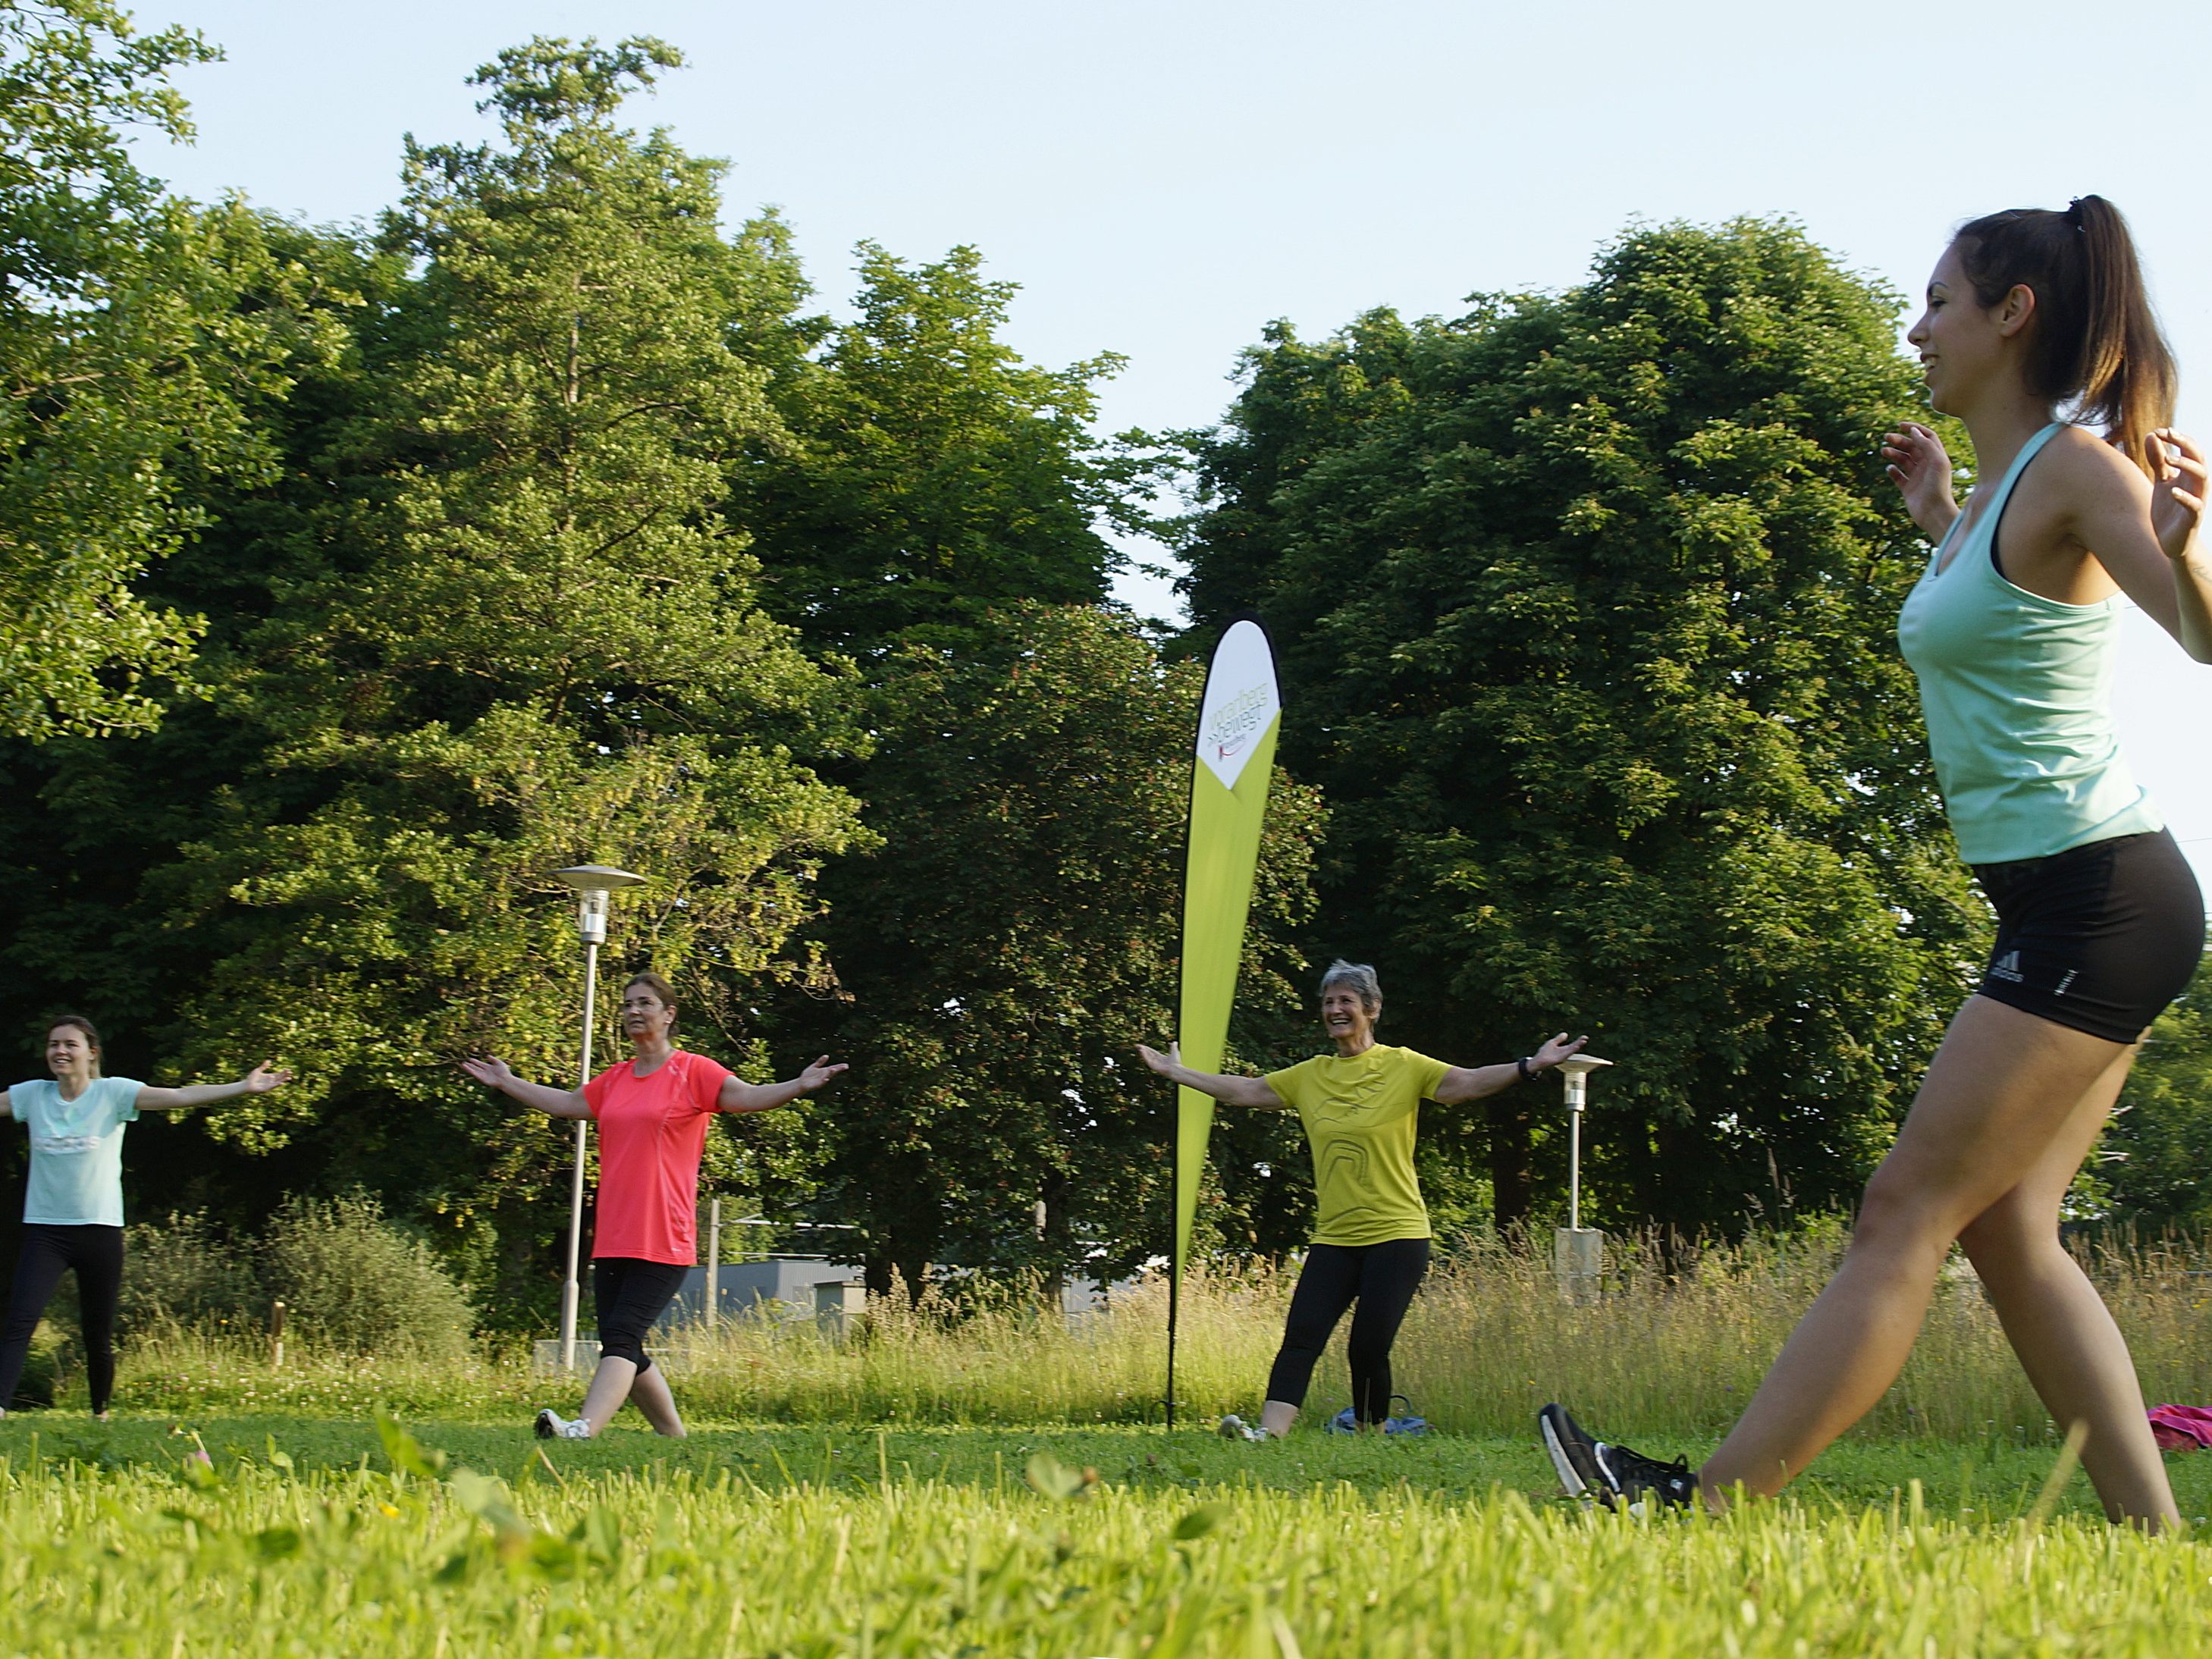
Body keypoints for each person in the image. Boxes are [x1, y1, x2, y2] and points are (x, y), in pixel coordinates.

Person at [1542, 196, 2210, 1527]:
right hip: (2070, 891)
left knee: (1902, 1203)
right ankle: (2153, 1536)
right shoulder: (2004, 493)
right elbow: (2001, 626)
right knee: (2009, 1229)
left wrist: (2189, 546)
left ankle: (1705, 1503)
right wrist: (1940, 521)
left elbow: (2201, 637)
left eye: (1939, 300)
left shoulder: (2083, 466)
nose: (1915, 328)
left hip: (2099, 886)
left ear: (2010, 313)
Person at [1140, 959, 1586, 1438]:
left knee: (1368, 1346)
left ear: (1371, 1009)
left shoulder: (1404, 1065)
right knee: (1301, 1338)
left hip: (1398, 1234)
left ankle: (1371, 1431)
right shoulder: (1310, 1075)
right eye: (1328, 1002)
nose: (1335, 1010)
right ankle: (1267, 1437)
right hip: (1335, 1237)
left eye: (1345, 1001)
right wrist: (1180, 1074)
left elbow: (1469, 1083)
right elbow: (1245, 1091)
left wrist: (1532, 1066)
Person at [463, 971, 846, 1441]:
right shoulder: (617, 1079)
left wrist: (798, 1085)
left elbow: (746, 1097)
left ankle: (583, 1428)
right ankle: (675, 1440)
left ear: (669, 1015)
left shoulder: (694, 1072)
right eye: (627, 1005)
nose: (633, 1011)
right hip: (613, 1236)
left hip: (664, 1237)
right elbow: (564, 1103)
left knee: (621, 1338)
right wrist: (508, 1083)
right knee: (623, 1345)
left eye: (644, 1003)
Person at [0, 1014, 291, 1419]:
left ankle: (100, 1413)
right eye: (53, 1045)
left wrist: (243, 1087)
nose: (60, 1051)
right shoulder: (33, 1095)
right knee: (20, 1324)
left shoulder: (114, 1093)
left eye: (70, 1044)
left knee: (97, 1332)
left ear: (91, 1053)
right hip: (46, 1232)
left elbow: (179, 1096)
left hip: (100, 1230)